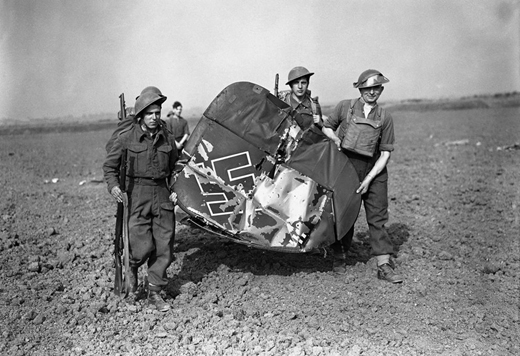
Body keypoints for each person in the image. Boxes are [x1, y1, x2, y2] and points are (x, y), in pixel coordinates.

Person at [321, 69, 403, 283]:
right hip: (346, 168)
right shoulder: (344, 107)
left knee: (377, 217)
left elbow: (385, 154)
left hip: (374, 170)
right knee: (343, 214)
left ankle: (384, 265)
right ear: (360, 89)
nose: (372, 92)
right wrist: (336, 140)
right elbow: (327, 127)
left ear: (381, 90)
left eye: (376, 88)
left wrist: (368, 180)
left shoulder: (385, 117)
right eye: (367, 88)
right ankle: (339, 256)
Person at [103, 87, 179, 311]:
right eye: (150, 113)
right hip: (136, 195)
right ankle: (133, 271)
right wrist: (114, 186)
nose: (155, 117)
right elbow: (110, 166)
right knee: (140, 246)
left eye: (158, 112)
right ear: (140, 116)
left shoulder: (168, 138)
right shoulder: (126, 138)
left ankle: (155, 292)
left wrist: (176, 188)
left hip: (163, 194)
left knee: (164, 245)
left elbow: (177, 165)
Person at [277, 66, 324, 131]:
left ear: (307, 84)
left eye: (303, 83)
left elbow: (320, 136)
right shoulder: (282, 103)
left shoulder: (314, 106)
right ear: (291, 85)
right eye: (296, 83)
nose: (300, 86)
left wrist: (320, 124)